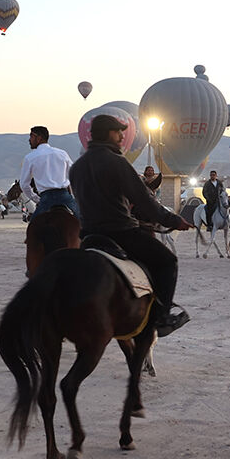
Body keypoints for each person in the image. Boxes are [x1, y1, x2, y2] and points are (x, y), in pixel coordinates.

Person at [70, 114, 194, 335]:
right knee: (167, 261)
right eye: (118, 132)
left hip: (88, 236)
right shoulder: (117, 162)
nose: (121, 136)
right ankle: (163, 318)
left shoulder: (77, 167)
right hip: (121, 232)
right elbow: (145, 200)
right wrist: (174, 220)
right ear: (108, 133)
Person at [18, 125, 79, 221]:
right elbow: (74, 173)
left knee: (33, 228)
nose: (29, 140)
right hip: (64, 196)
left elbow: (24, 185)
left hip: (46, 198)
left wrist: (36, 199)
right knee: (85, 221)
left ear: (39, 138)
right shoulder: (62, 153)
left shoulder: (30, 158)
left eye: (31, 136)